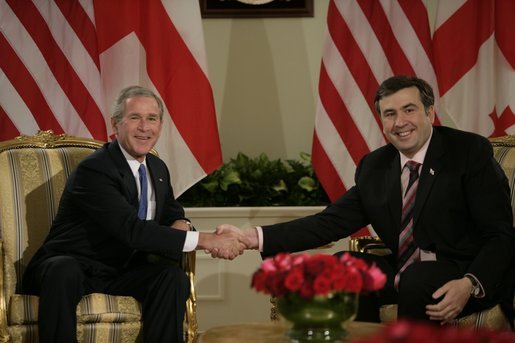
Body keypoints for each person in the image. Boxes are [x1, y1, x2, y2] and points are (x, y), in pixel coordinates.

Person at [216, 76, 515, 325]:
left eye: (409, 110)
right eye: (390, 114)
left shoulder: (467, 152)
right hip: (408, 273)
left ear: (430, 113)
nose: (400, 122)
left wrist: (470, 283)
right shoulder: (375, 166)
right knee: (347, 266)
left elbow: (499, 234)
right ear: (382, 121)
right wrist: (250, 237)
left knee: (417, 278)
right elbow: (329, 222)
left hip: (467, 271)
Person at [22, 85, 249, 342]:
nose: (144, 127)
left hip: (119, 271)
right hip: (73, 265)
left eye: (152, 119)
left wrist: (182, 223)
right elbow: (131, 230)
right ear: (116, 124)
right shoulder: (95, 170)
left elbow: (173, 213)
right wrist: (207, 240)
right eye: (134, 118)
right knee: (64, 269)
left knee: (171, 278)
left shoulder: (157, 167)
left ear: (160, 126)